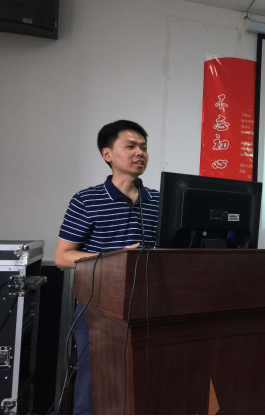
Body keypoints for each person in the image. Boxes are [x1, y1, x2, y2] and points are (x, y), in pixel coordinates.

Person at [54, 120, 159, 415]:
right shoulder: (86, 200)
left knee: (144, 377)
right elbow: (63, 256)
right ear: (107, 154)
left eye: (144, 147)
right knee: (95, 380)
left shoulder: (158, 201)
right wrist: (114, 258)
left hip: (147, 303)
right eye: (131, 146)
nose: (140, 153)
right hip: (97, 305)